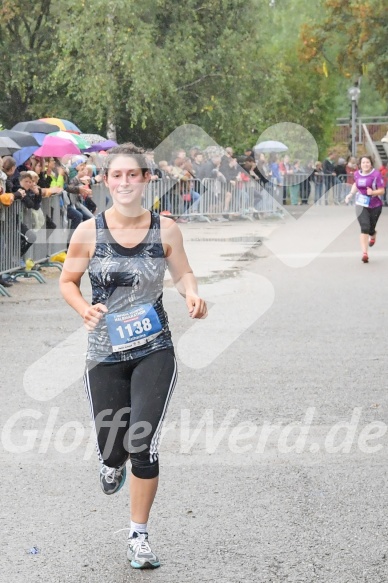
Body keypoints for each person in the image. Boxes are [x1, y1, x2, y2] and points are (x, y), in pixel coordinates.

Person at [59, 143, 207, 569]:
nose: (124, 182)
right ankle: (111, 464)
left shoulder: (166, 229)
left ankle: (138, 535)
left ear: (146, 179)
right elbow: (68, 281)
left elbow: (183, 273)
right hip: (104, 352)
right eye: (116, 176)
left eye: (132, 175)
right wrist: (83, 307)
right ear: (106, 182)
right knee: (113, 448)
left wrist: (192, 294)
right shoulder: (89, 231)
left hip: (154, 348)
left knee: (141, 442)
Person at [345, 155, 385, 263]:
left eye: (367, 162)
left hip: (375, 205)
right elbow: (355, 184)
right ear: (360, 164)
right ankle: (365, 253)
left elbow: (382, 191)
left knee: (371, 228)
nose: (365, 164)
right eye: (363, 163)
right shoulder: (357, 174)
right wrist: (350, 194)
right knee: (364, 227)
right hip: (360, 204)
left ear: (371, 163)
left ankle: (373, 234)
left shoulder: (376, 174)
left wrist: (373, 193)